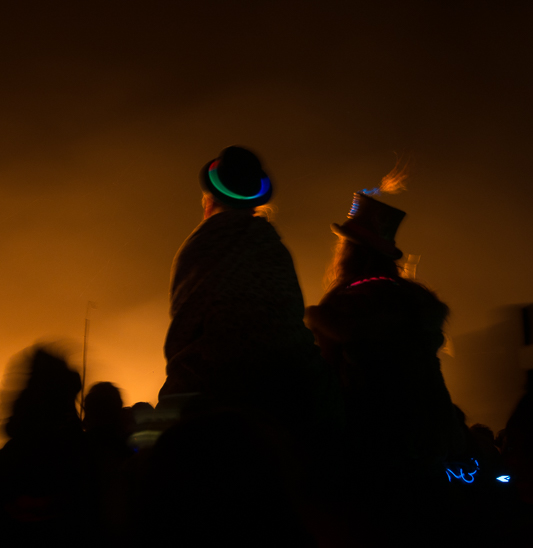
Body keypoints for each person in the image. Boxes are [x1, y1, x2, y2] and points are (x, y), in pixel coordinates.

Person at [305, 189, 465, 543]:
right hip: (429, 447)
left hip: (366, 455)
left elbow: (325, 384)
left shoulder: (342, 307)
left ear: (348, 251)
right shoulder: (416, 308)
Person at [157, 146, 342, 435]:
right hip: (293, 391)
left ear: (209, 200)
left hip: (216, 390)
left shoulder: (199, 247)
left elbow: (185, 330)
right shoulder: (274, 249)